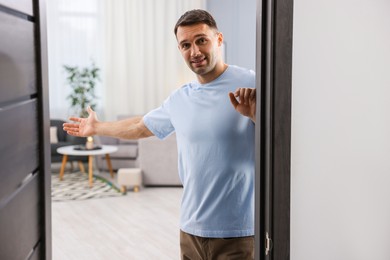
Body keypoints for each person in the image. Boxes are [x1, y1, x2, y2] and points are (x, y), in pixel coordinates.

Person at [63, 9, 256, 260]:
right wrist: (97, 128)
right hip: (190, 230)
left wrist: (255, 115)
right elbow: (140, 126)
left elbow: (283, 135)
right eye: (185, 45)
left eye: (201, 40)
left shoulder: (251, 83)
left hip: (238, 232)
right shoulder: (179, 99)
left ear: (218, 40)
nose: (194, 51)